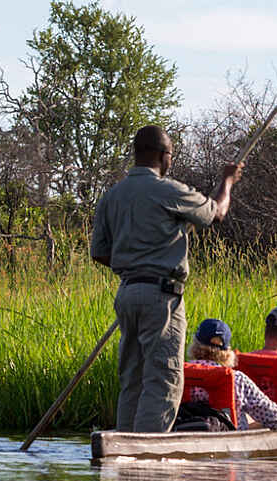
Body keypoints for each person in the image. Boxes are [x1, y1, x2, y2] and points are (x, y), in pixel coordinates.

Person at [89, 125, 244, 433]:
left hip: (128, 292)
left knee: (132, 377)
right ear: (164, 156)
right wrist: (227, 181)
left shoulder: (112, 196)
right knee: (163, 379)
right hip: (162, 296)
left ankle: (123, 443)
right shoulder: (168, 190)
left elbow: (100, 253)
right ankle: (147, 449)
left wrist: (134, 264)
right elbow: (216, 214)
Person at [181, 318, 277, 430]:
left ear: (195, 344)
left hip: (183, 438)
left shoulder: (178, 375)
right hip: (230, 442)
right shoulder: (238, 379)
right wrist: (250, 427)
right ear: (227, 351)